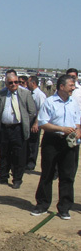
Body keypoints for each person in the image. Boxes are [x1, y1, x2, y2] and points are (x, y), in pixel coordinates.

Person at [31, 75, 81, 219]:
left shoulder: (74, 103)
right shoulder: (50, 102)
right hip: (52, 141)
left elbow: (78, 122)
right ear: (61, 87)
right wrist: (61, 129)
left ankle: (64, 208)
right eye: (71, 85)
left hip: (69, 143)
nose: (73, 88)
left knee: (67, 175)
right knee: (47, 174)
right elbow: (43, 123)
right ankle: (42, 204)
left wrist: (77, 131)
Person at [0, 71, 36, 188]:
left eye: (16, 82)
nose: (13, 84)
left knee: (18, 155)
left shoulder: (25, 94)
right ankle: (3, 176)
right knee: (4, 153)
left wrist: (24, 120)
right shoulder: (1, 94)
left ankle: (17, 179)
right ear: (6, 83)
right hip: (5, 129)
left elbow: (32, 111)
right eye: (10, 82)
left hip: (18, 129)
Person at [26, 76, 47, 170]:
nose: (26, 84)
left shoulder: (39, 95)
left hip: (35, 120)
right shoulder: (29, 93)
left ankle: (31, 163)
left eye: (28, 82)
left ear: (33, 83)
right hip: (28, 120)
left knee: (33, 143)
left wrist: (36, 123)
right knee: (27, 141)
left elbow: (41, 110)